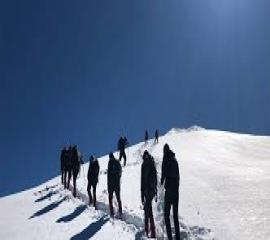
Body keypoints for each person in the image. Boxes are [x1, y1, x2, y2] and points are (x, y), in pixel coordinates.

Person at [161, 144, 180, 240]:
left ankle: (170, 238)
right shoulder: (175, 160)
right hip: (176, 191)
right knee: (175, 217)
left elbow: (163, 174)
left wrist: (162, 182)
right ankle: (178, 238)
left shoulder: (165, 159)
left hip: (169, 191)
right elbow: (178, 176)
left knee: (167, 216)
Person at [141, 150, 157, 238]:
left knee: (147, 210)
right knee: (148, 210)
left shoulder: (151, 163)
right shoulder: (143, 165)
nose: (146, 156)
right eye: (145, 155)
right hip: (146, 191)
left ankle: (148, 231)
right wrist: (142, 194)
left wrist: (153, 188)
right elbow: (142, 181)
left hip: (150, 190)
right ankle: (151, 231)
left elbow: (155, 176)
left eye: (146, 155)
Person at [107, 152, 123, 218]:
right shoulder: (109, 163)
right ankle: (112, 212)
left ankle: (120, 212)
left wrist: (117, 176)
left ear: (113, 156)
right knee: (110, 198)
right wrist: (108, 184)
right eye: (110, 157)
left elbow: (120, 171)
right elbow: (108, 175)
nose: (111, 158)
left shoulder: (116, 162)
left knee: (118, 198)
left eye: (111, 157)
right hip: (111, 184)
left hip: (116, 184)